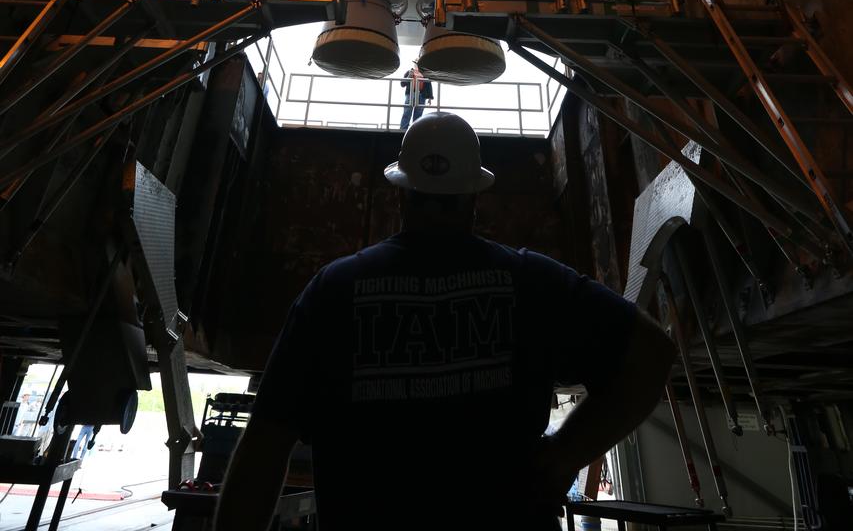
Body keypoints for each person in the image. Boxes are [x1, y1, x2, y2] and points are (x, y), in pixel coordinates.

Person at [214, 113, 675, 531]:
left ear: (401, 194)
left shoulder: (333, 290)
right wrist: (563, 457)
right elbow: (653, 353)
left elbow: (264, 446)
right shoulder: (531, 281)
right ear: (474, 197)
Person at [399, 61, 433, 129]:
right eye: (416, 63)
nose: (416, 64)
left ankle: (416, 129)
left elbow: (428, 85)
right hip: (410, 94)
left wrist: (430, 98)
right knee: (407, 112)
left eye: (418, 63)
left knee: (419, 114)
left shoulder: (425, 74)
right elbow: (402, 84)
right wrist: (409, 76)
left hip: (421, 95)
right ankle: (403, 129)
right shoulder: (409, 72)